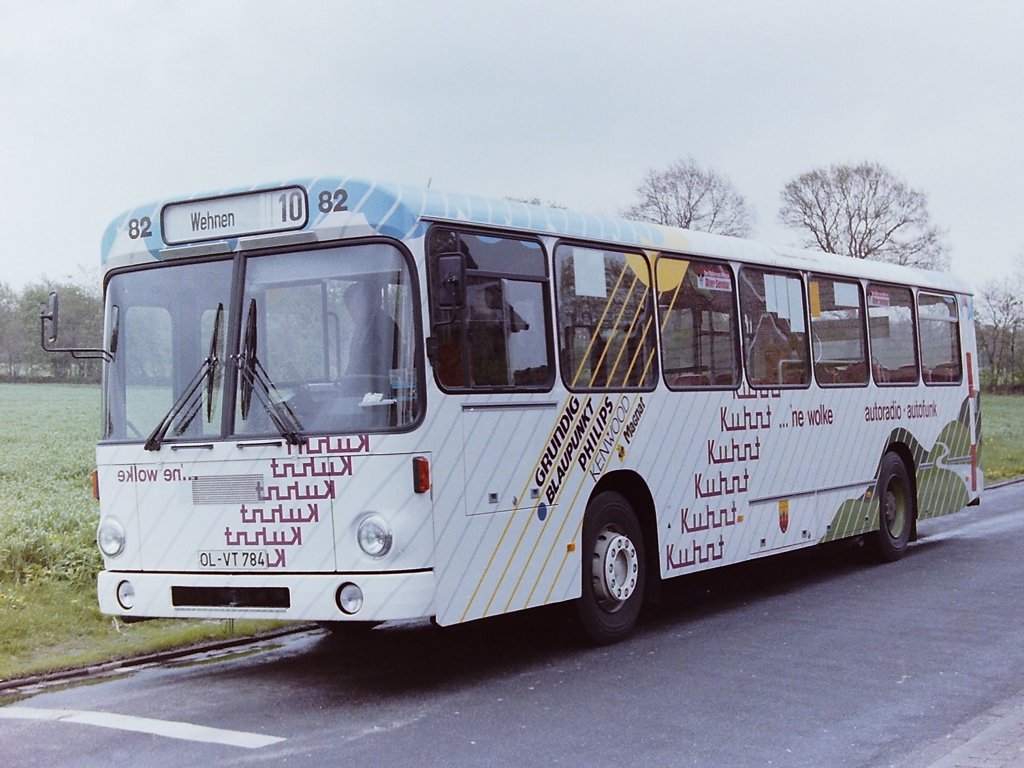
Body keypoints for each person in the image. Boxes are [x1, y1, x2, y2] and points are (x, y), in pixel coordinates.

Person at [344, 283, 398, 377]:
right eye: (350, 309)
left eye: (356, 306)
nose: (352, 313)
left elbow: (382, 364)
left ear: (368, 302)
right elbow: (353, 365)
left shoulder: (384, 326)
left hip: (379, 387)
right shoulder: (361, 329)